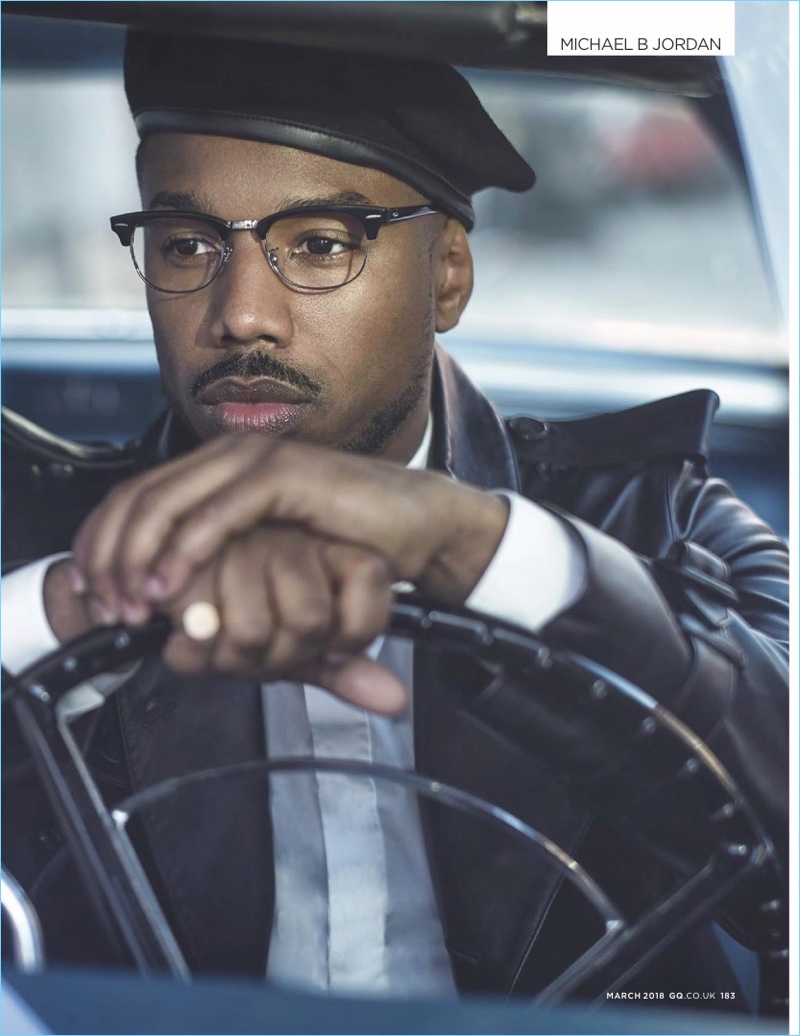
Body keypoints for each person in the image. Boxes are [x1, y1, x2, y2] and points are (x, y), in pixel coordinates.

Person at [2, 30, 788, 1008]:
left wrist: (468, 540)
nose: (241, 314)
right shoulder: (32, 536)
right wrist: (55, 617)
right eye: (186, 245)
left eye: (321, 245)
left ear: (447, 276)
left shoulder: (654, 523)